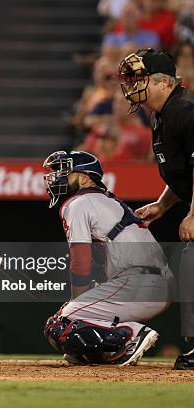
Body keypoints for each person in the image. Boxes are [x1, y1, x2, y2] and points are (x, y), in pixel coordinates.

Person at [42, 150, 174, 365]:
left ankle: (131, 335)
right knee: (68, 328)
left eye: (65, 171)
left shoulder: (78, 203)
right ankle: (99, 352)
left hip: (140, 283)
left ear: (85, 177)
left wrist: (77, 299)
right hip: (153, 282)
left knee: (61, 323)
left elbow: (81, 260)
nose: (57, 176)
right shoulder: (102, 200)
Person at [119, 48, 194, 369]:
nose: (133, 84)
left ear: (165, 82)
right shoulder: (161, 114)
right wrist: (164, 205)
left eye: (140, 78)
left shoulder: (186, 110)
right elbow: (182, 171)